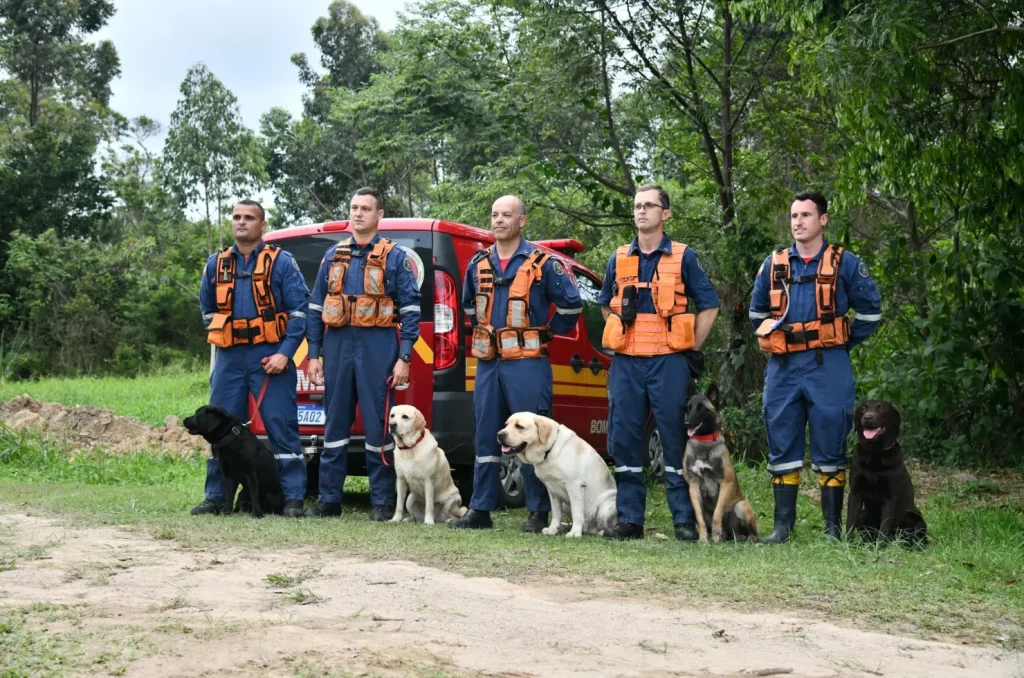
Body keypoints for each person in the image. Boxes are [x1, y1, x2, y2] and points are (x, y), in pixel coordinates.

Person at [749, 191, 881, 543]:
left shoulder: (846, 263)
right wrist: (776, 339)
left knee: (831, 443)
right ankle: (782, 528)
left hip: (829, 365)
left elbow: (871, 312)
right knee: (781, 440)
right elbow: (756, 313)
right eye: (794, 216)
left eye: (806, 215)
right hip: (783, 366)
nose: (798, 222)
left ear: (823, 220)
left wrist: (841, 341)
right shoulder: (774, 264)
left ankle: (832, 531)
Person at [449, 195, 583, 531]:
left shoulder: (544, 264)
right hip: (489, 364)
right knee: (485, 436)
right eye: (494, 215)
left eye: (506, 215)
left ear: (521, 221)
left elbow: (571, 305)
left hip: (527, 364)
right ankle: (480, 509)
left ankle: (538, 512)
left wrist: (549, 332)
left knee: (533, 437)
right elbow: (468, 308)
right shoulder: (477, 264)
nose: (498, 221)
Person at [598, 184, 720, 541]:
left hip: (669, 363)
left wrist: (689, 344)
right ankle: (630, 520)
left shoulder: (684, 257)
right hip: (627, 363)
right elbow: (606, 304)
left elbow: (709, 305)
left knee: (673, 438)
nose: (641, 211)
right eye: (637, 206)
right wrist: (619, 330)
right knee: (624, 438)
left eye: (649, 206)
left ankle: (683, 519)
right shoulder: (618, 258)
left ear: (665, 214)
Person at [304, 187, 421, 521]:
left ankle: (383, 501)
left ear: (379, 214)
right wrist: (314, 353)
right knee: (334, 425)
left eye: (365, 208)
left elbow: (411, 310)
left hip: (378, 345)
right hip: (338, 344)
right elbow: (315, 306)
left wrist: (405, 356)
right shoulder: (333, 256)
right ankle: (329, 500)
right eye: (354, 208)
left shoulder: (395, 257)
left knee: (379, 426)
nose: (358, 214)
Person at [193, 199, 309, 517]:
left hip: (269, 357)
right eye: (236, 217)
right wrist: (224, 336)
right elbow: (207, 310)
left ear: (262, 225)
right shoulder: (216, 264)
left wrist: (285, 354)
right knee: (220, 431)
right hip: (229, 359)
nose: (241, 222)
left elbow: (300, 313)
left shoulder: (282, 262)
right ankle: (216, 497)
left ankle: (292, 498)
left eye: (249, 217)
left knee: (281, 426)